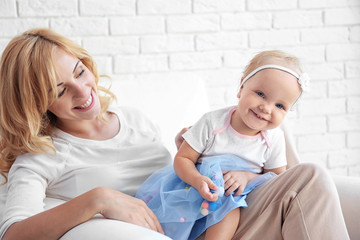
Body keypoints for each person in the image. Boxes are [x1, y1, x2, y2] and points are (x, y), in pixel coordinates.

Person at [136, 50, 350, 240]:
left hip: (243, 199)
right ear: (241, 87)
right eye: (260, 94)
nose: (266, 108)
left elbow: (276, 177)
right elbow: (183, 158)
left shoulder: (272, 138)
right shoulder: (212, 123)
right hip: (202, 189)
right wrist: (197, 179)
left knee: (230, 204)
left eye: (280, 105)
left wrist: (247, 177)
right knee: (225, 199)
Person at [0, 28, 173, 239]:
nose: (82, 91)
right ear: (37, 105)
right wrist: (97, 200)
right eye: (60, 91)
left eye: (80, 72)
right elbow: (13, 236)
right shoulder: (42, 156)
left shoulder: (135, 119)